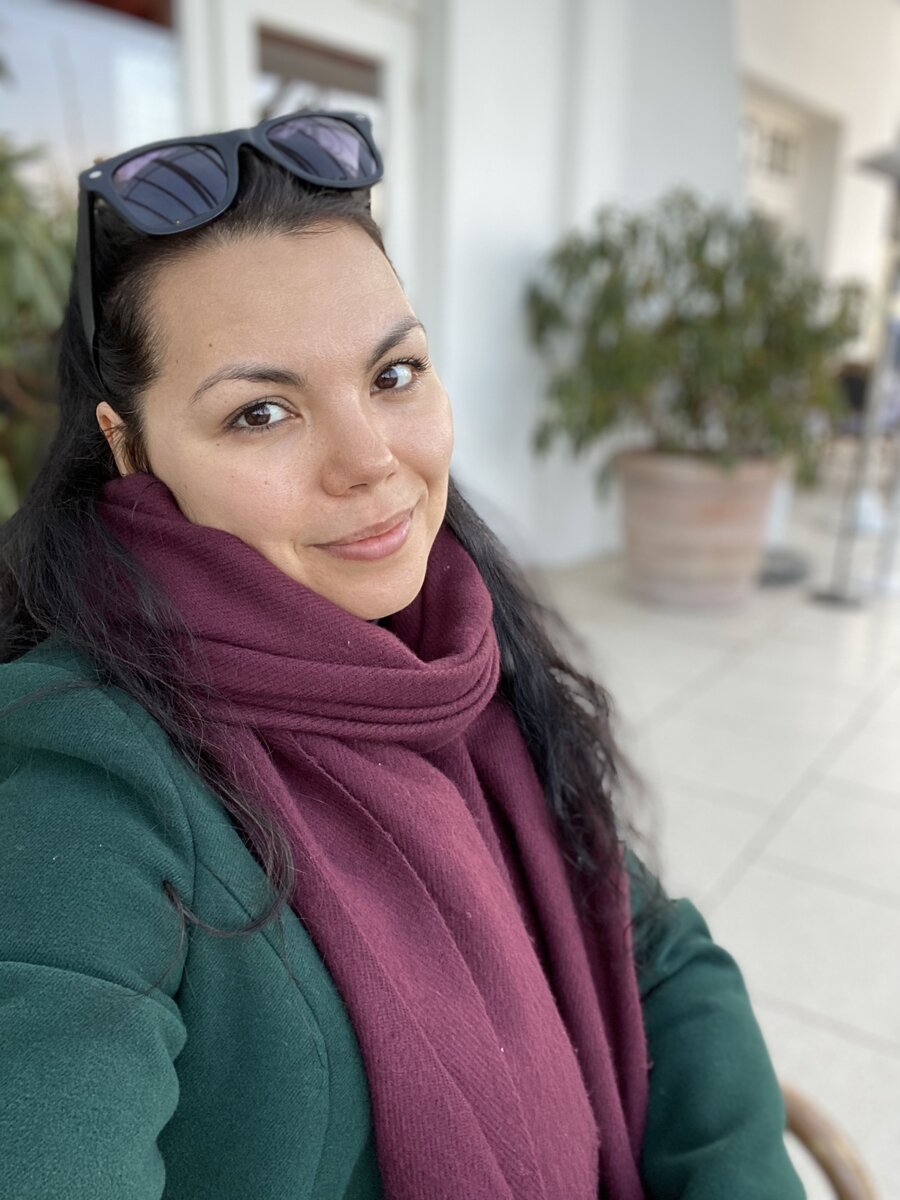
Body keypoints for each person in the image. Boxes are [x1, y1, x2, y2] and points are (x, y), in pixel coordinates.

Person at [0, 111, 804, 1199]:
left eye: (392, 375)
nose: (371, 461)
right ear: (129, 447)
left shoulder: (456, 655)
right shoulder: (80, 785)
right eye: (262, 412)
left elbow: (658, 952)